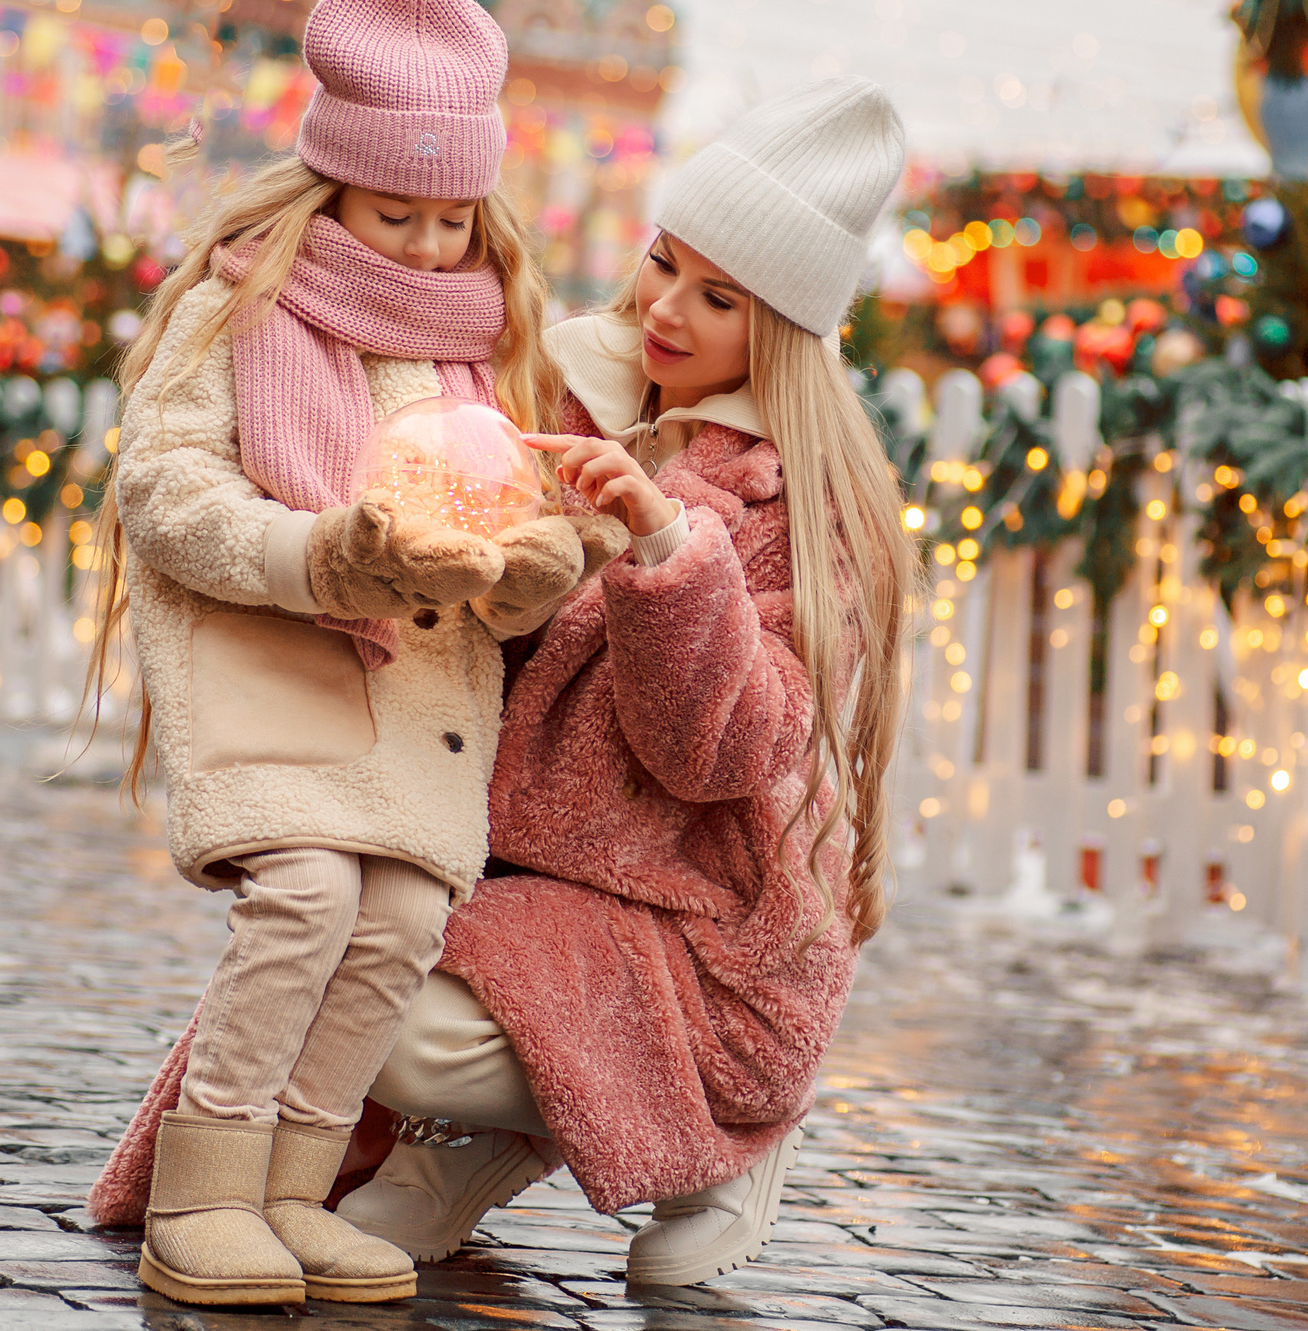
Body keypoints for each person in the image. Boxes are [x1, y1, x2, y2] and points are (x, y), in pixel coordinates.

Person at [82, 0, 624, 1309]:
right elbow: (165, 489)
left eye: (455, 219)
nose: (434, 248)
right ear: (331, 188)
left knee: (396, 919)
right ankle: (205, 1189)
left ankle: (289, 1188)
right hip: (284, 660)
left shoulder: (485, 346)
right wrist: (320, 553)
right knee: (308, 896)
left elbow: (492, 513)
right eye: (401, 216)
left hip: (422, 698)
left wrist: (539, 561)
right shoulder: (244, 309)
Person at [337, 77, 920, 1288]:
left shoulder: (809, 508)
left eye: (719, 298)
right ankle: (494, 1127)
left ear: (785, 330)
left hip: (691, 917)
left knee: (393, 1028)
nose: (664, 308)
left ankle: (730, 1140)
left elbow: (723, 754)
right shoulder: (552, 392)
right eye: (665, 263)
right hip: (503, 863)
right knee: (326, 956)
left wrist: (667, 549)